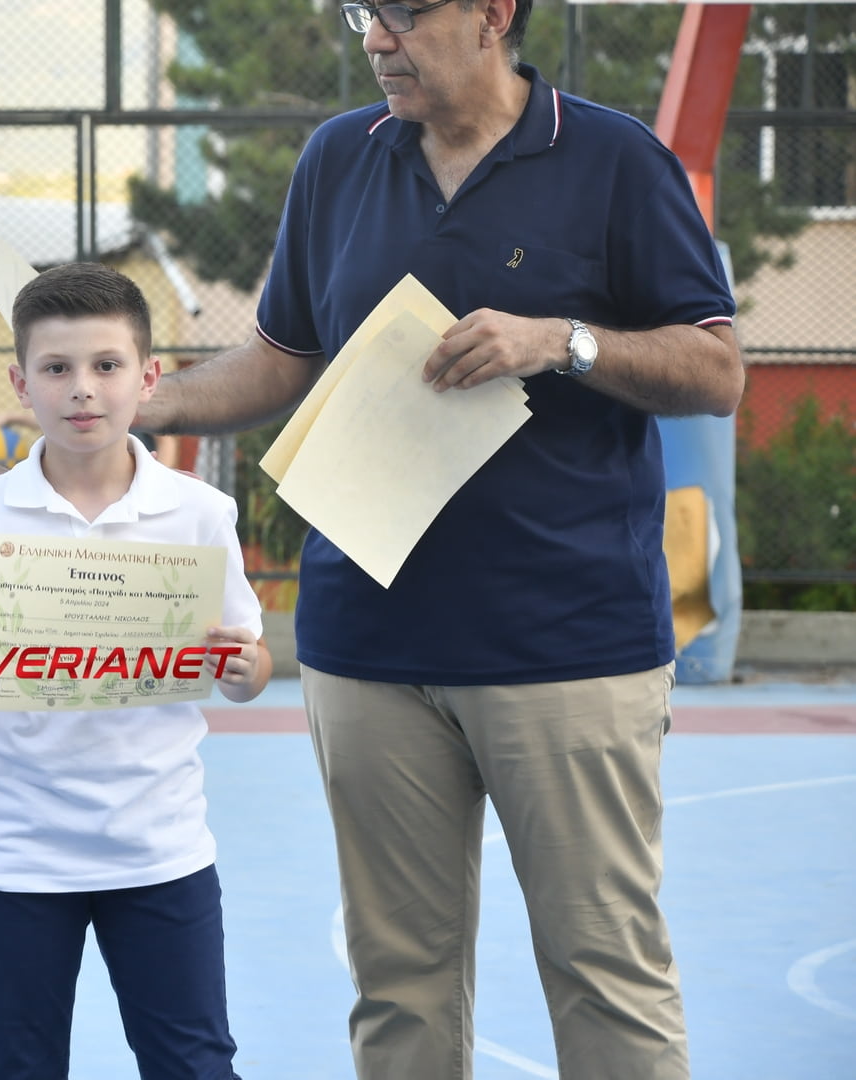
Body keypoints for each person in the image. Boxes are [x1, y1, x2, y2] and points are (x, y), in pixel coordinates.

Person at [136, 3, 744, 1079]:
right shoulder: (338, 159)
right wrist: (142, 403)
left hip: (568, 647)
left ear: (494, 14)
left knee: (605, 973)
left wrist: (563, 341)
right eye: (363, 12)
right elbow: (281, 359)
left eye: (405, 13)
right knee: (398, 985)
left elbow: (716, 371)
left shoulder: (613, 159)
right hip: (368, 649)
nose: (377, 38)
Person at [0, 262, 273, 1080]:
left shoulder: (199, 513)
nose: (83, 388)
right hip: (13, 853)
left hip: (159, 849)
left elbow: (253, 664)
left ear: (149, 378)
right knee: (16, 1065)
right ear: (21, 384)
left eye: (107, 365)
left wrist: (240, 667)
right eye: (56, 368)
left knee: (194, 1065)